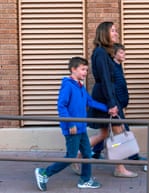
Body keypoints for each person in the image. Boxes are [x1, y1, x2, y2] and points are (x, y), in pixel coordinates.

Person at [34, 57, 113, 191]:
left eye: (87, 70)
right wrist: (70, 124)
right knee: (71, 156)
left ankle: (85, 179)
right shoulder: (68, 85)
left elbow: (90, 102)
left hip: (81, 127)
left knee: (87, 153)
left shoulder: (80, 87)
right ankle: (44, 173)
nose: (85, 72)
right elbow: (62, 106)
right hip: (72, 128)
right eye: (82, 69)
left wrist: (108, 108)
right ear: (73, 69)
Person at [75, 21, 138, 178]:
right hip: (104, 98)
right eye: (113, 31)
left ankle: (76, 156)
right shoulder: (101, 54)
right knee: (118, 131)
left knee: (104, 133)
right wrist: (111, 103)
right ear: (104, 34)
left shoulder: (103, 52)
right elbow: (105, 79)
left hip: (104, 96)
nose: (116, 33)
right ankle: (119, 168)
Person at [91, 43, 145, 161]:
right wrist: (118, 104)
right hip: (115, 103)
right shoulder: (113, 68)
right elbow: (115, 88)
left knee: (106, 130)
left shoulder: (118, 66)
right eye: (121, 52)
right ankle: (132, 155)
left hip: (118, 103)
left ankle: (95, 152)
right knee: (123, 129)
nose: (124, 54)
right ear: (114, 55)